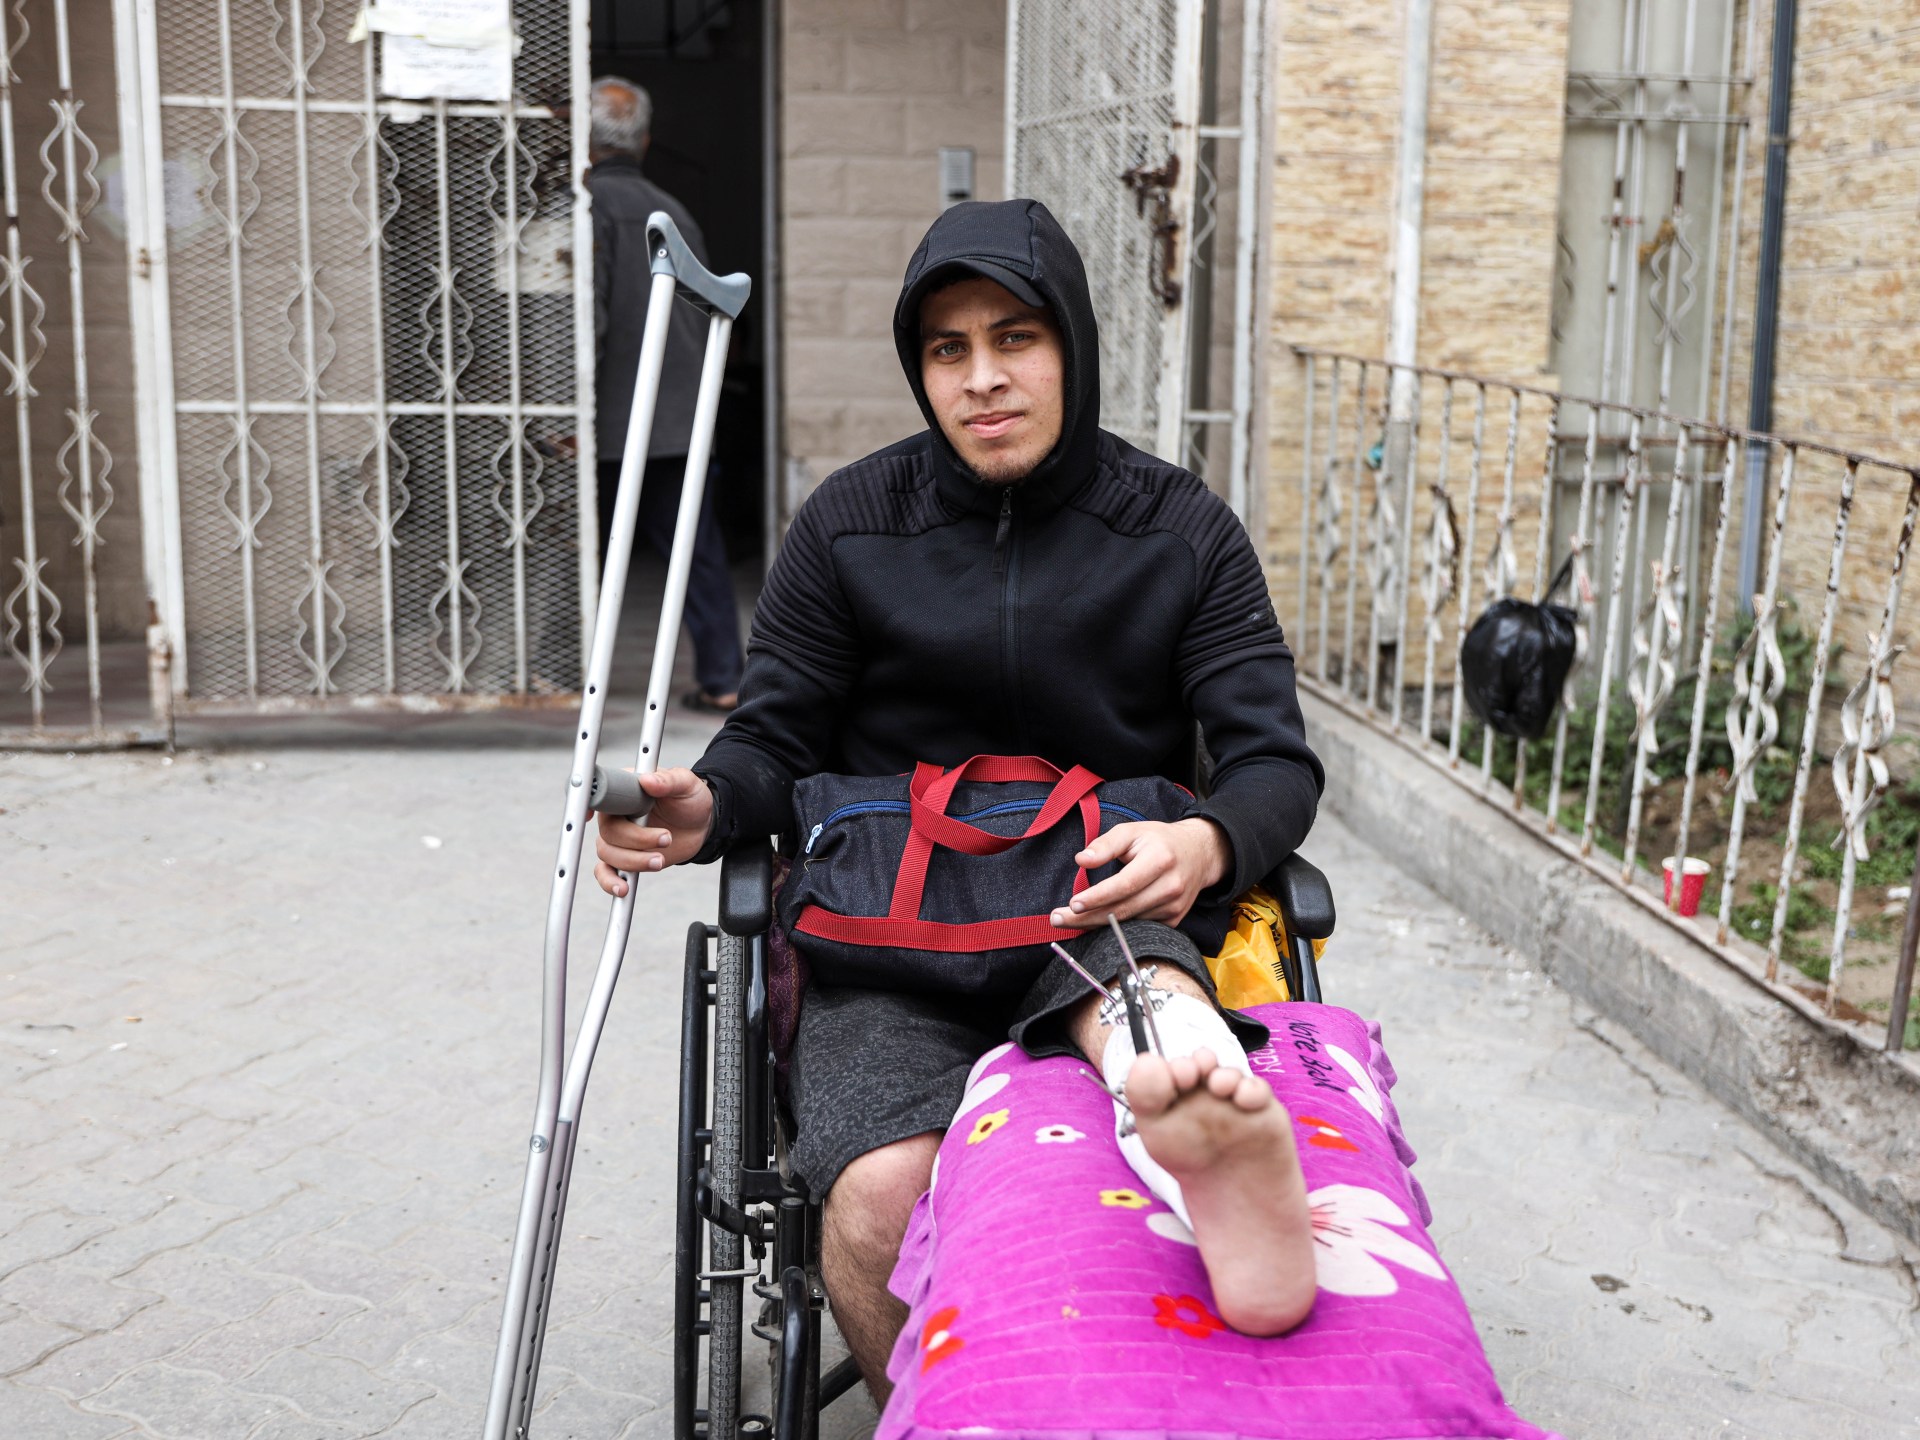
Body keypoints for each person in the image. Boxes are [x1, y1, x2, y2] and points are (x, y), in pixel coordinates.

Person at [595, 199, 1326, 1399]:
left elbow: (1273, 765)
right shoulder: (849, 525)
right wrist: (711, 806)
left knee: (1162, 1034)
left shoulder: (1180, 530)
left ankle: (1205, 1134)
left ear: (1073, 345)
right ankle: (944, 1417)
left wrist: (1208, 840)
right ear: (920, 368)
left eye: (1015, 338)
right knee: (884, 1190)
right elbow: (774, 735)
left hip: (1101, 902)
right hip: (890, 938)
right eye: (949, 349)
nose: (983, 378)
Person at [589, 75, 744, 712]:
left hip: (602, 419)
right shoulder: (673, 212)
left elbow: (588, 318)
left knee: (568, 549)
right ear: (645, 141)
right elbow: (709, 311)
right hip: (678, 412)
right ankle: (724, 677)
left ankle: (550, 675)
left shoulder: (581, 208)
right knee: (693, 550)